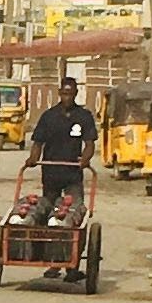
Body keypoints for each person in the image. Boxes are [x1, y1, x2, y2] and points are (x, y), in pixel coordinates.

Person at [26, 73, 98, 237]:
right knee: (48, 210)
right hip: (51, 172)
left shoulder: (84, 116)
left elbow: (89, 144)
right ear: (59, 93)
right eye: (65, 94)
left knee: (74, 210)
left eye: (70, 94)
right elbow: (38, 142)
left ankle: (74, 242)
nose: (67, 98)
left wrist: (85, 159)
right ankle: (47, 242)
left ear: (76, 94)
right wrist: (33, 158)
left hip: (73, 172)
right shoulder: (49, 116)